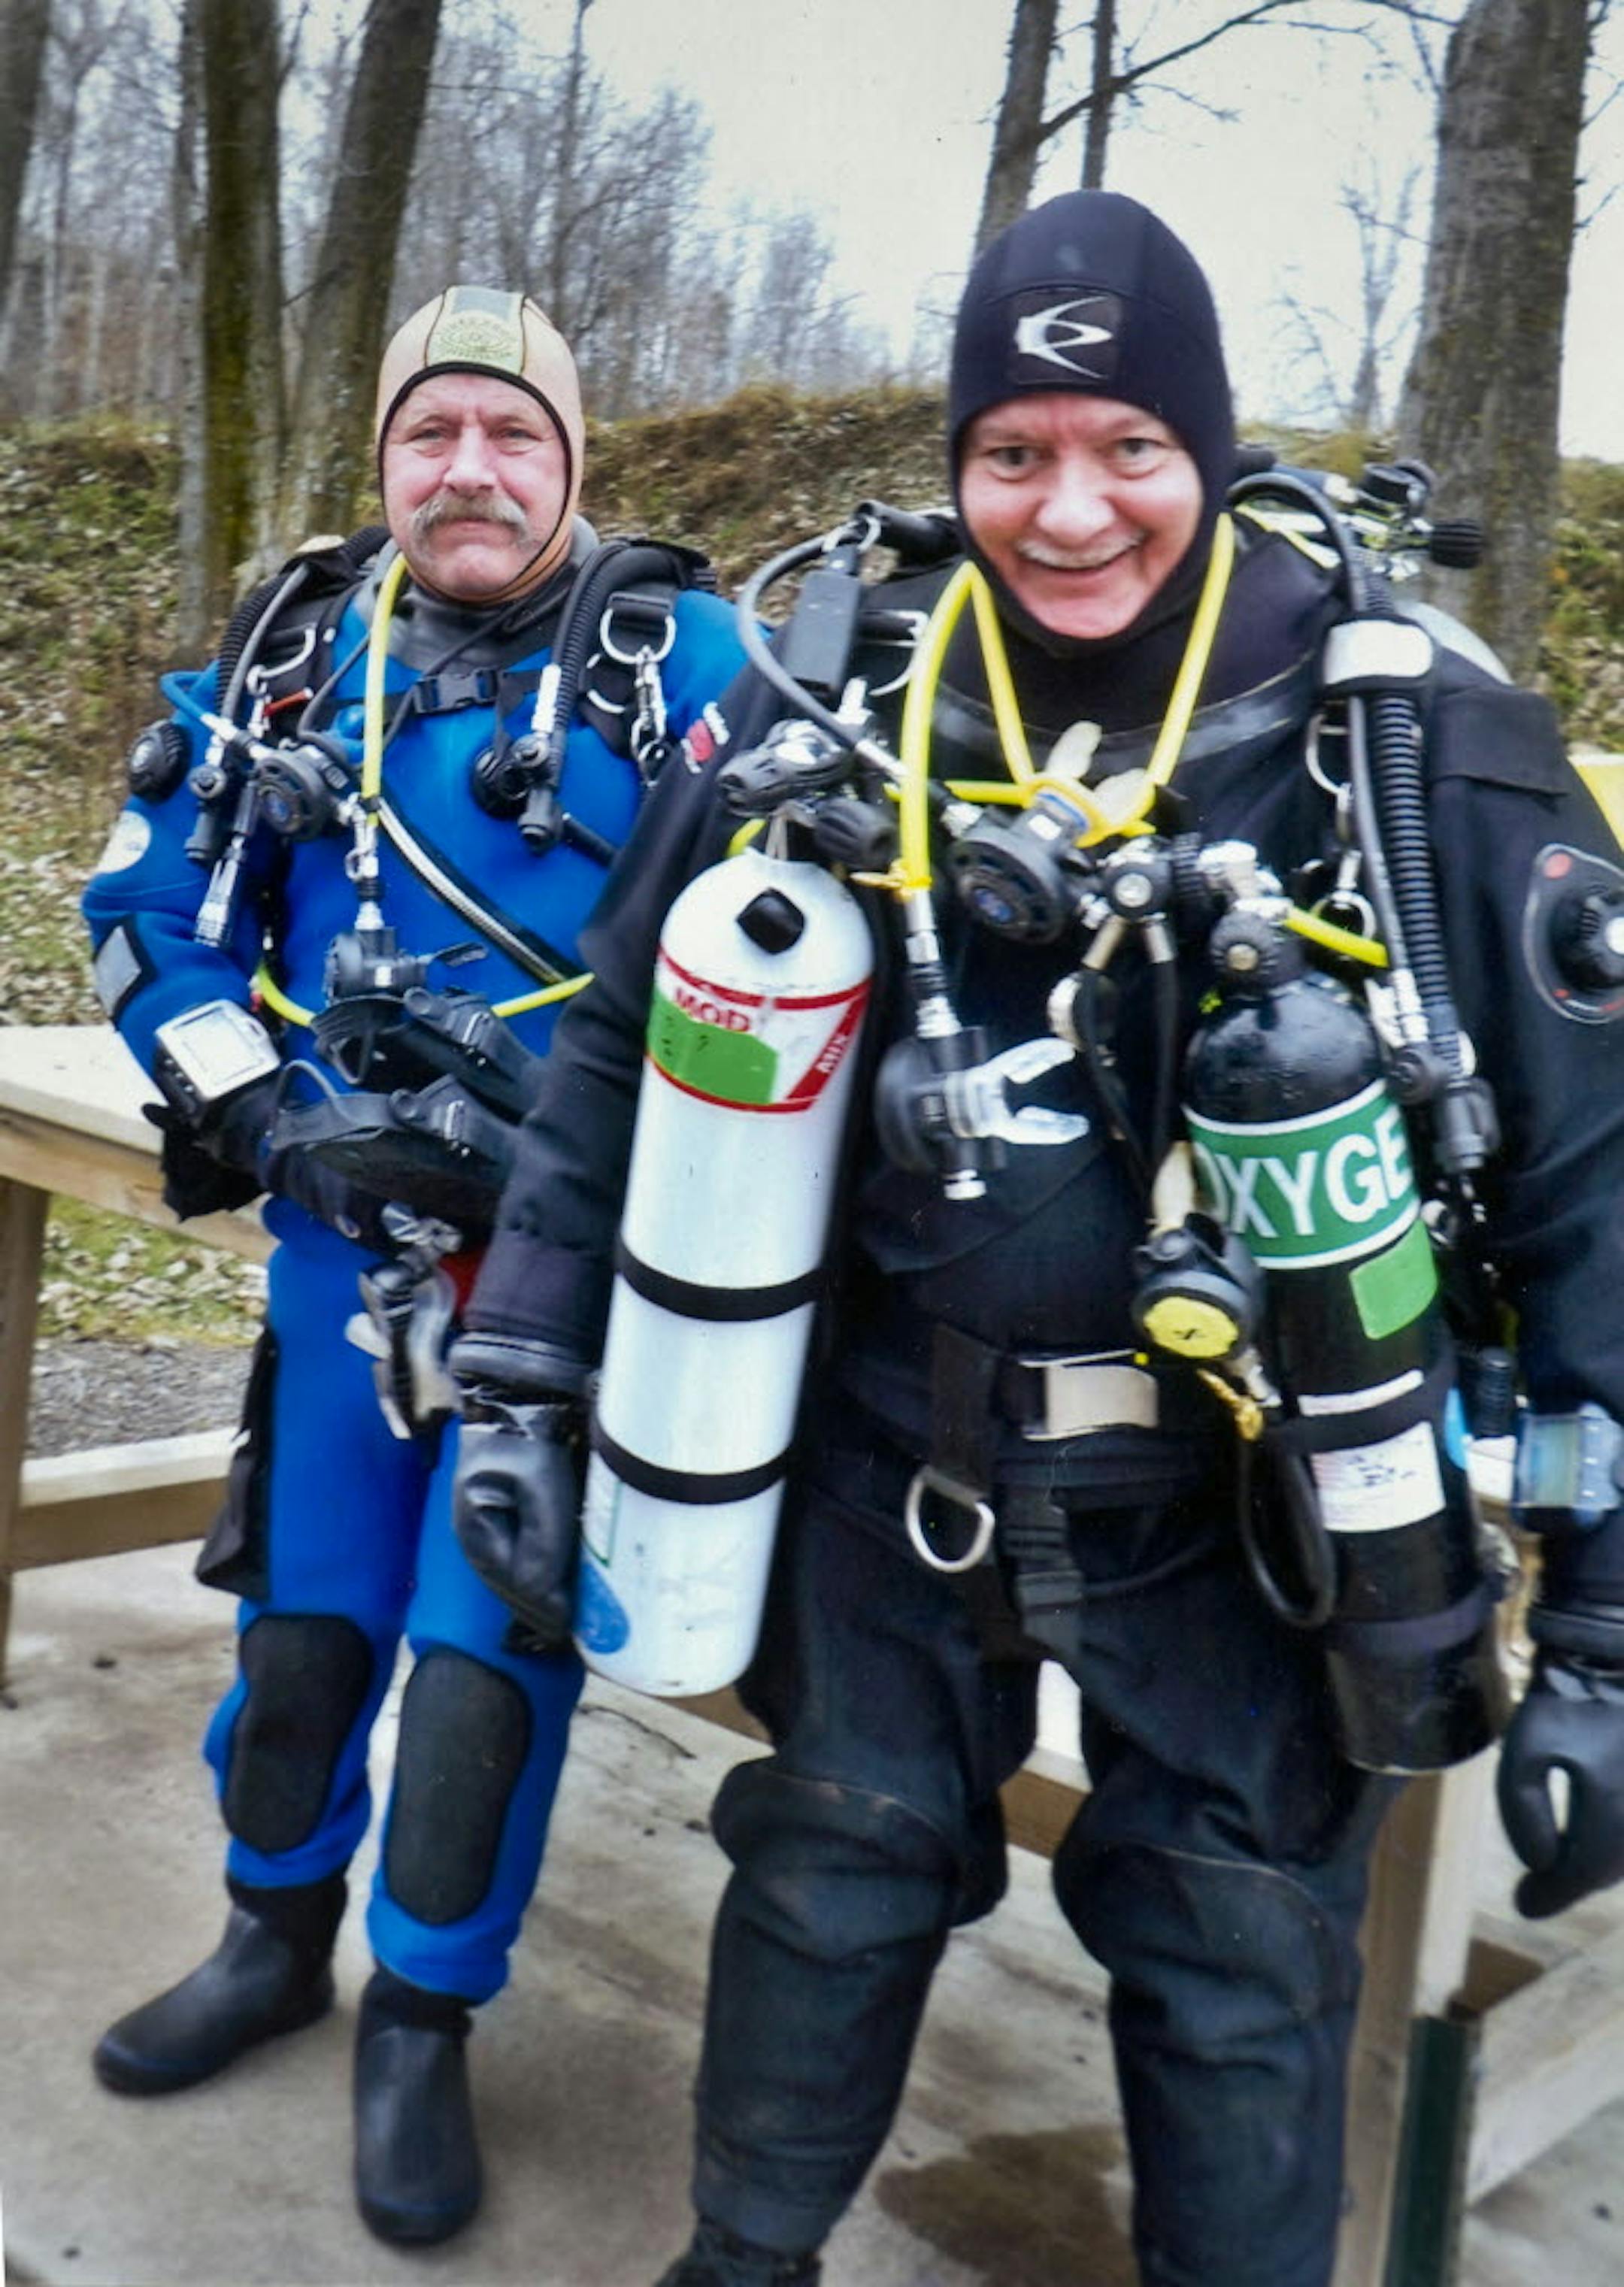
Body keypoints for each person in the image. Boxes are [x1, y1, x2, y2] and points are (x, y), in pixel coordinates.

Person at [448, 195, 1624, 2287]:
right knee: (831, 1862)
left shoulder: (1415, 749)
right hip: (888, 1440)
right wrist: (526, 1380)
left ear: (1210, 443)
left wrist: (1610, 1633)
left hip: (1254, 1493)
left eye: (1128, 446)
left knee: (1237, 1942)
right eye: (1014, 451)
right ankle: (745, 2255)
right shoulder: (832, 711)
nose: (1069, 508)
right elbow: (623, 1053)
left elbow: (1596, 1195)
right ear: (959, 458)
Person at [80, 283, 745, 2247]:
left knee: (476, 1682)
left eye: (511, 435)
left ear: (573, 460)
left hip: (553, 1303)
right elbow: (144, 924)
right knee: (302, 1638)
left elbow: (804, 955)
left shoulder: (681, 664)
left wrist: (583, 1154)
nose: (468, 467)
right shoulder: (294, 653)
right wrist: (271, 1114)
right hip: (332, 1262)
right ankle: (269, 1933)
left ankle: (423, 2014)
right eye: (428, 433)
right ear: (383, 459)